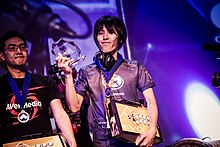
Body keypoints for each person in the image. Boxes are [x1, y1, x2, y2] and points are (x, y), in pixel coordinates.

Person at [56, 15, 159, 147]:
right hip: (102, 141)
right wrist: (68, 75)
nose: (105, 37)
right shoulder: (87, 72)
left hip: (133, 138)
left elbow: (150, 101)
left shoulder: (135, 67)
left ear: (120, 38)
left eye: (111, 33)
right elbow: (74, 107)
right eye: (100, 33)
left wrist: (152, 129)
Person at [0, 30, 77, 147]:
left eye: (22, 47)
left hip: (44, 143)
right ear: (2, 56)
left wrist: (72, 143)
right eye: (12, 48)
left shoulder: (46, 82)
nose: (19, 51)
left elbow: (60, 114)